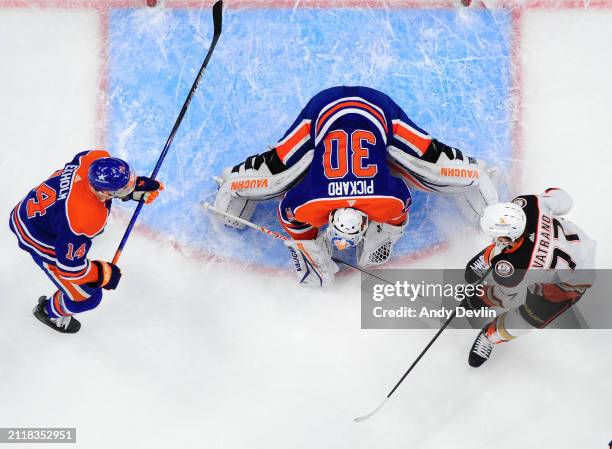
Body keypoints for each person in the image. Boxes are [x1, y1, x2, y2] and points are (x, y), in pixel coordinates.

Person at [214, 86, 497, 286]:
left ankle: (232, 187)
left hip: (352, 110)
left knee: (279, 169)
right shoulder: (374, 204)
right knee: (280, 171)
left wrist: (308, 246)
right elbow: (401, 203)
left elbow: (289, 211)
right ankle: (474, 174)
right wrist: (383, 233)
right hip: (343, 110)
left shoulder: (320, 205)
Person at [9, 150, 164, 333]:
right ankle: (48, 312)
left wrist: (130, 190)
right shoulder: (84, 219)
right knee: (88, 298)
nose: (131, 185)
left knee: (83, 229)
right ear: (104, 191)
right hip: (36, 235)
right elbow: (69, 268)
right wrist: (101, 273)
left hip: (38, 210)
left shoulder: (93, 157)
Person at [463, 188, 596, 367]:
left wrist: (480, 299)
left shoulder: (516, 268)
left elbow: (505, 294)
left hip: (569, 283)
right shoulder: (530, 204)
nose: (493, 239)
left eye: (496, 238)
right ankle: (492, 255)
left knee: (526, 320)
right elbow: (564, 200)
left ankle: (490, 336)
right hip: (580, 247)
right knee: (511, 249)